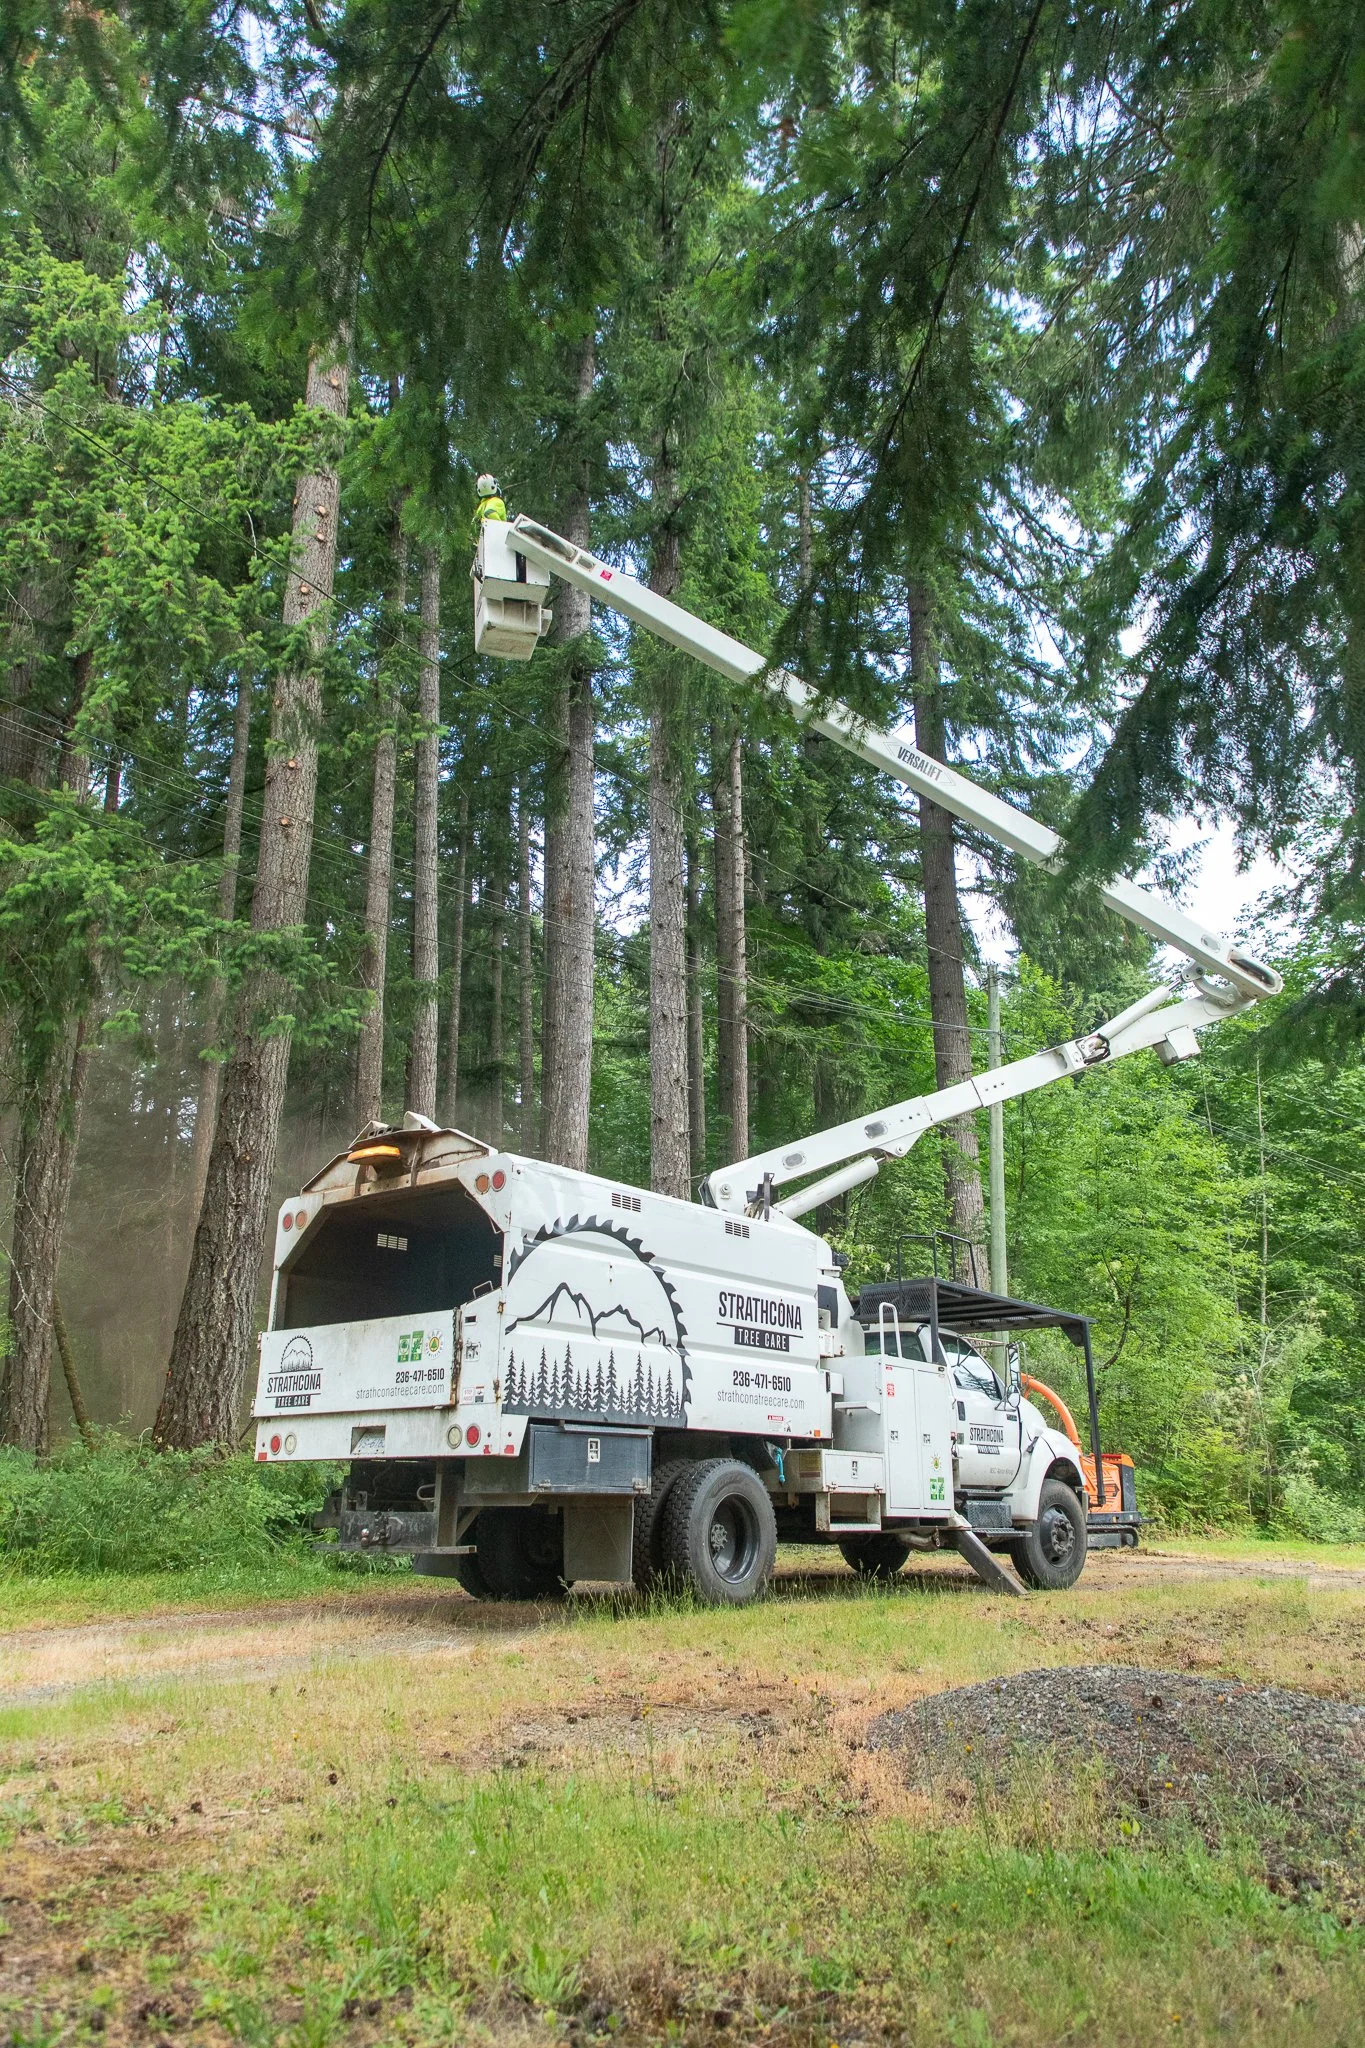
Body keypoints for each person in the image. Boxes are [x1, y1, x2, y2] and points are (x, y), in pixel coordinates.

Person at [471, 472, 506, 541]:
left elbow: (474, 522)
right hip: (498, 537)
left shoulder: (482, 506)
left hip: (486, 539)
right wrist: (501, 531)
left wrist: (476, 539)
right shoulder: (497, 501)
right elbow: (489, 513)